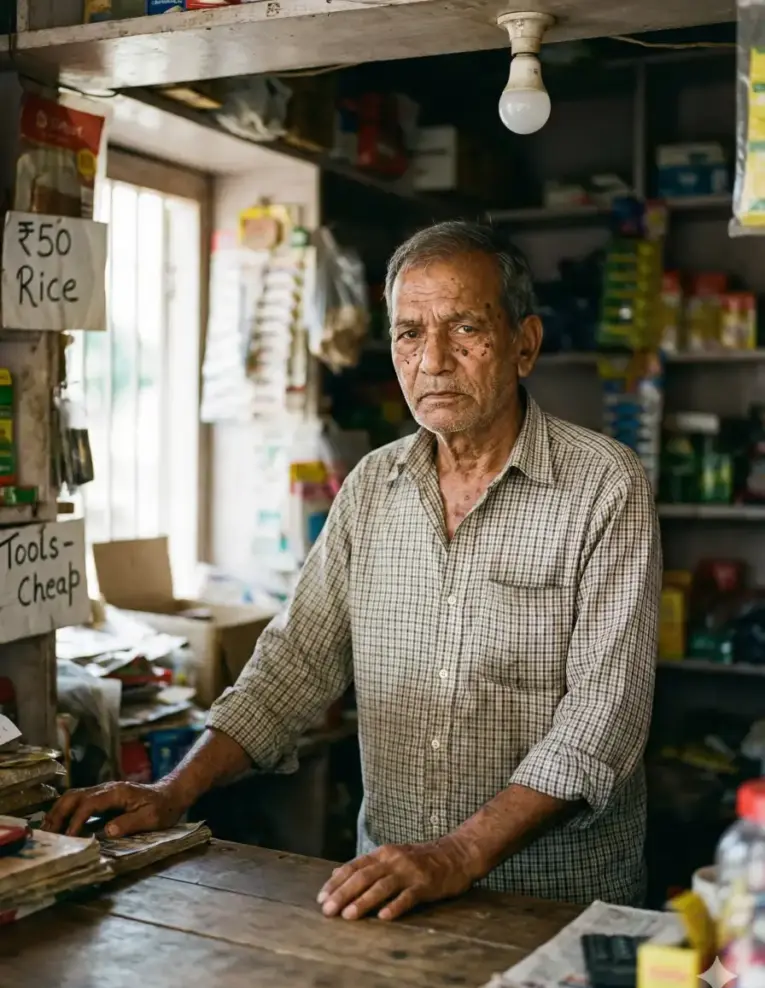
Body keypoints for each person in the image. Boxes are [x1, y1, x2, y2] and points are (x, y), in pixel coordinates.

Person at [47, 221, 660, 922]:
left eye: (464, 328)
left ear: (523, 344)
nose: (432, 360)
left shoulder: (603, 485)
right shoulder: (372, 487)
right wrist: (174, 790)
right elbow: (295, 661)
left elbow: (602, 719)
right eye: (407, 333)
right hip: (395, 891)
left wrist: (457, 854)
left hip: (551, 901)